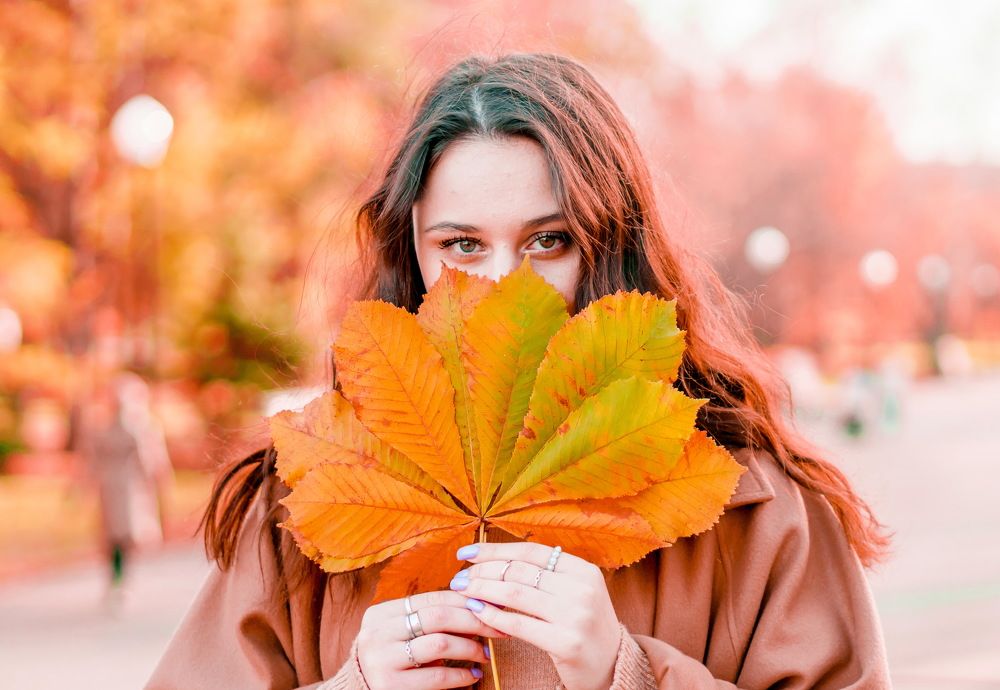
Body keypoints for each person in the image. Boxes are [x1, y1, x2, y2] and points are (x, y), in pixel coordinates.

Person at [147, 53, 891, 689]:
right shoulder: (306, 496)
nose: (506, 289)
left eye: (548, 241)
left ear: (614, 249)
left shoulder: (756, 507)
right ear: (412, 255)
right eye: (462, 245)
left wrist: (630, 673)